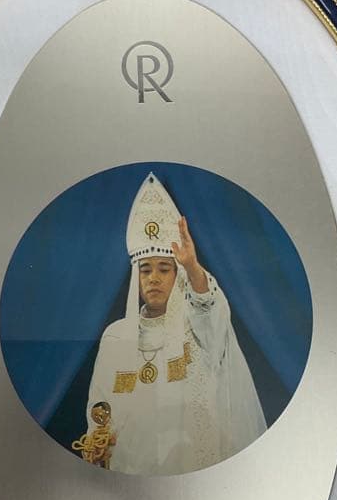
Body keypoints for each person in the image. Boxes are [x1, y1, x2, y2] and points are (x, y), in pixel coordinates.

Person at [76, 172, 266, 476]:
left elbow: (211, 308)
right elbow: (100, 406)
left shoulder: (197, 329)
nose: (153, 277)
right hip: (130, 472)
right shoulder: (116, 336)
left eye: (164, 269)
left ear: (177, 275)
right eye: (145, 270)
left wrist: (192, 267)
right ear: (136, 278)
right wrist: (97, 442)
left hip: (189, 470)